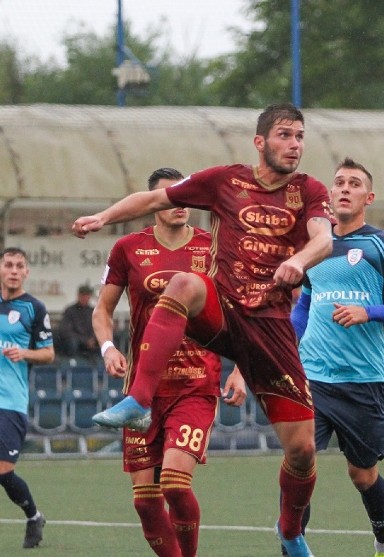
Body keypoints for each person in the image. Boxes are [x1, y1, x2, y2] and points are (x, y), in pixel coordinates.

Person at [72, 103, 334, 557]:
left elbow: (324, 237)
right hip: (224, 312)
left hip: (270, 328)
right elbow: (153, 199)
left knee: (303, 451)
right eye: (284, 135)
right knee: (187, 283)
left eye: (299, 136)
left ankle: (290, 530)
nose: (294, 145)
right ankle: (138, 399)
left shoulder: (308, 190)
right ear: (260, 142)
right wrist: (101, 218)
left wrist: (297, 259)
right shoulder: (224, 181)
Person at [92, 168, 247, 557]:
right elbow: (102, 310)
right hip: (144, 392)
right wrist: (108, 348)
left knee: (176, 483)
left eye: (185, 197)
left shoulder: (212, 246)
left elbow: (243, 312)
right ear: (154, 204)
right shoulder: (127, 248)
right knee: (145, 501)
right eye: (169, 197)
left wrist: (242, 368)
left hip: (196, 383)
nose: (180, 204)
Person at [290, 158, 384, 557]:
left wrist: (369, 311)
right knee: (299, 466)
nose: (345, 188)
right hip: (313, 379)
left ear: (368, 197)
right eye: (339, 182)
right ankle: (292, 545)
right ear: (330, 195)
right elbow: (306, 304)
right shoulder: (314, 246)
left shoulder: (383, 245)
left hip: (363, 382)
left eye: (354, 183)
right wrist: (288, 344)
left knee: (362, 473)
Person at [0, 247, 53, 548]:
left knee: (3, 472)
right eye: (9, 265)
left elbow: (49, 353)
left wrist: (24, 353)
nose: (14, 270)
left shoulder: (34, 308)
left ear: (26, 272)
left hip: (10, 402)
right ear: (1, 268)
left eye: (20, 266)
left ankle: (33, 516)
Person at [55, 284, 98, 360]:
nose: (85, 298)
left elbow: (98, 328)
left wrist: (93, 339)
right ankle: (73, 364)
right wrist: (84, 341)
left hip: (91, 341)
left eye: (87, 295)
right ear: (78, 296)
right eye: (83, 295)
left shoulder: (93, 311)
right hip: (76, 341)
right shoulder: (70, 311)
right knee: (72, 343)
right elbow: (66, 331)